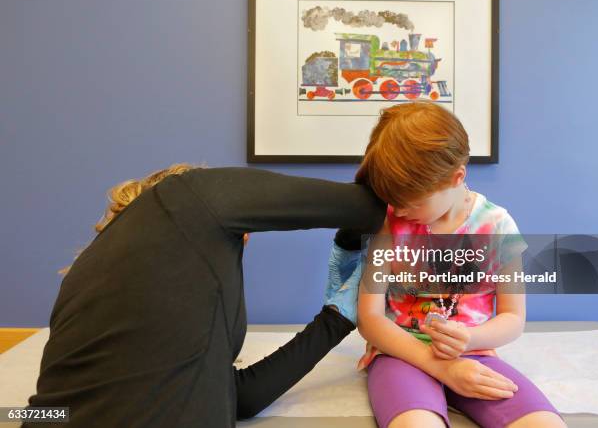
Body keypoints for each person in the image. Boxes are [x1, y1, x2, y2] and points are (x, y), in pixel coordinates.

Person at [24, 165, 385, 427]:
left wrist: (336, 318)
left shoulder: (88, 274)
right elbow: (365, 207)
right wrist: (352, 246)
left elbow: (239, 397)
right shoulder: (189, 197)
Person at [353, 102, 566, 428]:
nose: (400, 209)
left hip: (474, 352)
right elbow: (369, 319)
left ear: (457, 177)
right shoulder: (390, 223)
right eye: (394, 199)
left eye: (413, 202)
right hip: (400, 353)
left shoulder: (498, 227)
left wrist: (469, 340)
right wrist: (441, 368)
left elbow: (512, 318)